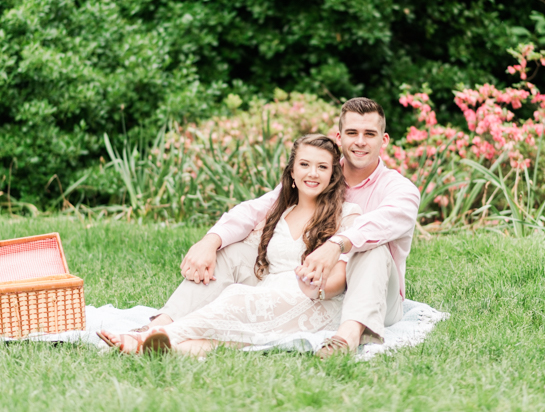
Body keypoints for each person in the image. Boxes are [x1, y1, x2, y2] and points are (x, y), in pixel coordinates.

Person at [105, 97, 420, 357]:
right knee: (233, 249)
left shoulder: (398, 188)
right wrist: (210, 241)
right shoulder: (320, 171)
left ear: (384, 139)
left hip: (378, 294)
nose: (360, 141)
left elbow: (386, 220)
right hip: (308, 281)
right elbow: (256, 209)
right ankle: (158, 328)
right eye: (352, 133)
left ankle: (347, 337)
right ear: (340, 137)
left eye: (370, 134)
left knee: (371, 243)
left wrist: (337, 244)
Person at [98, 134, 361, 355]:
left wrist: (315, 287)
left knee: (237, 298)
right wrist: (210, 243)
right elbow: (243, 220)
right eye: (304, 164)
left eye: (322, 167)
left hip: (315, 300)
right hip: (270, 293)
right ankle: (168, 347)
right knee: (236, 319)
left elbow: (342, 275)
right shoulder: (280, 212)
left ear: (333, 176)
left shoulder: (348, 214)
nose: (312, 173)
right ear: (292, 172)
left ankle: (149, 336)